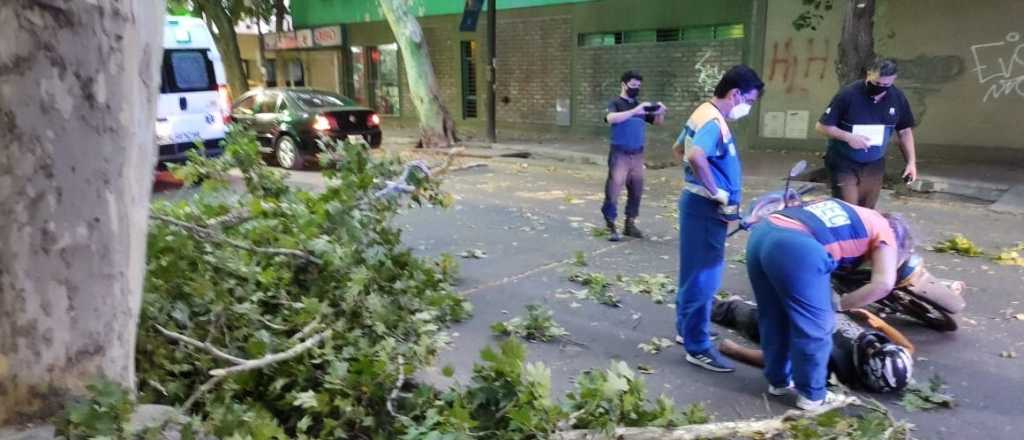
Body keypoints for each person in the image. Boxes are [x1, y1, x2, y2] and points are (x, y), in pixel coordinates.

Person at [744, 197, 916, 409]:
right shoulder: (887, 234)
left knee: (774, 317)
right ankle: (813, 396)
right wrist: (839, 305)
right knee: (816, 327)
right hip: (796, 246)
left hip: (764, 232)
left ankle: (778, 381)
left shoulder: (857, 213)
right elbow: (883, 284)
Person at [673, 65, 764, 372]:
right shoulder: (714, 121)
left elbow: (678, 149)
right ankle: (697, 346)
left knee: (692, 272)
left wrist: (697, 180)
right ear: (735, 93)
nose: (748, 107)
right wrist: (715, 190)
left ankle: (686, 329)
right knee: (705, 277)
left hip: (695, 205)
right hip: (706, 208)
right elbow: (696, 155)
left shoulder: (702, 112)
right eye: (749, 101)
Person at [712, 297, 916, 396]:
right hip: (808, 308)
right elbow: (908, 347)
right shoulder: (881, 350)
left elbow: (782, 361)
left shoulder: (833, 363)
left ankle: (709, 303)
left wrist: (735, 351)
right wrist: (880, 323)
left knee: (729, 311)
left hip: (785, 325)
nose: (873, 345)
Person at [816, 59, 918, 209]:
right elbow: (822, 126)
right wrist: (848, 137)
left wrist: (911, 162)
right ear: (868, 74)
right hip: (844, 161)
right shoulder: (848, 94)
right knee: (848, 209)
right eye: (876, 83)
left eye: (885, 85)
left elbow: (904, 131)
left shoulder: (897, 98)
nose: (880, 88)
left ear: (893, 80)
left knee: (867, 211)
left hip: (874, 164)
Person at [601, 71, 666, 241]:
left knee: (636, 191)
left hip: (637, 155)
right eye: (633, 86)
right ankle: (611, 225)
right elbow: (610, 119)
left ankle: (630, 224)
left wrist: (660, 111)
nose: (636, 89)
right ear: (623, 84)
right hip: (620, 154)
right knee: (614, 190)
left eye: (638, 86)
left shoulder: (640, 106)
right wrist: (634, 111)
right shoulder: (615, 103)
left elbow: (658, 122)